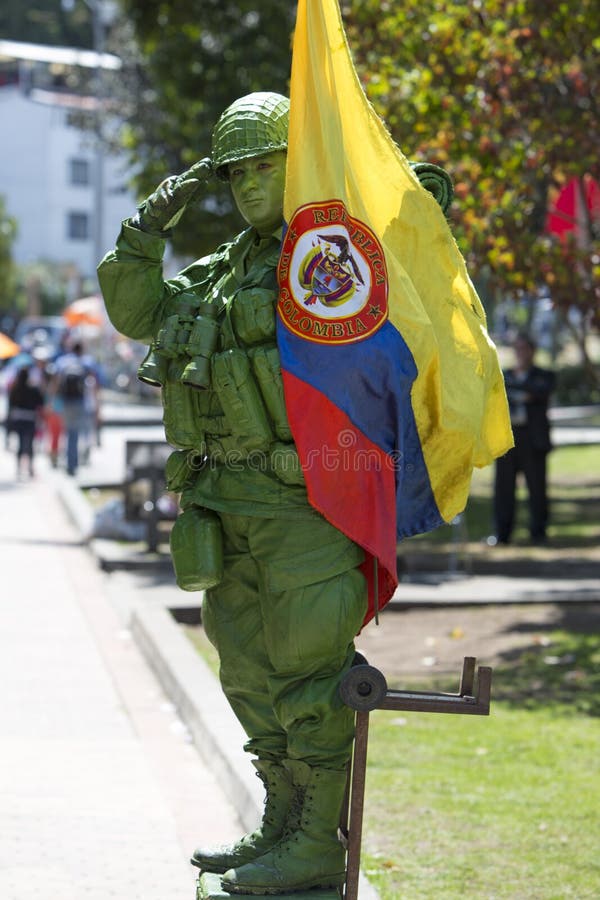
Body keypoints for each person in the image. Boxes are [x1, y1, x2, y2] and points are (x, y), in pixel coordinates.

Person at [98, 92, 371, 896]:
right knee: (248, 674)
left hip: (303, 509)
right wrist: (147, 228)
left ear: (302, 163)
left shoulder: (335, 257)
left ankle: (316, 843)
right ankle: (281, 827)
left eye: (266, 166)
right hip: (223, 507)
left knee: (309, 675)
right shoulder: (223, 270)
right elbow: (138, 309)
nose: (250, 186)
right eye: (237, 173)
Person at [491, 332, 555, 545]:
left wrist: (518, 392)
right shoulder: (504, 375)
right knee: (503, 489)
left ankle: (538, 533)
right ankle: (503, 534)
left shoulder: (543, 375)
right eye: (517, 349)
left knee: (537, 489)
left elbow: (541, 392)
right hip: (508, 439)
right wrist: (525, 395)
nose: (520, 353)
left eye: (524, 348)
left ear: (532, 351)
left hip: (533, 440)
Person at [51, 341, 98, 476]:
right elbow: (94, 383)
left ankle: (70, 462)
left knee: (68, 432)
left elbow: (56, 382)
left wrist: (53, 401)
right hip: (80, 402)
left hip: (65, 402)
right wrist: (96, 403)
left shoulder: (62, 362)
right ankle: (73, 463)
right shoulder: (87, 362)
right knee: (76, 433)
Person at [7, 365, 45, 480]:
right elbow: (41, 402)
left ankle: (19, 468)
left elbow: (11, 405)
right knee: (29, 445)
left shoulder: (15, 388)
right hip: (30, 419)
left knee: (20, 444)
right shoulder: (33, 388)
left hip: (18, 419)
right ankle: (30, 468)